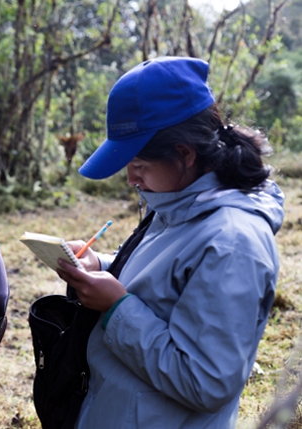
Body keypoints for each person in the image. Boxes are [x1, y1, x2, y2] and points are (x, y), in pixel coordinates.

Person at [55, 56, 284, 428]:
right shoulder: (180, 201)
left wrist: (116, 309)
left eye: (140, 164)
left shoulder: (232, 243)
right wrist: (105, 267)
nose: (131, 178)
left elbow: (207, 380)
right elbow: (167, 283)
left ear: (184, 154)